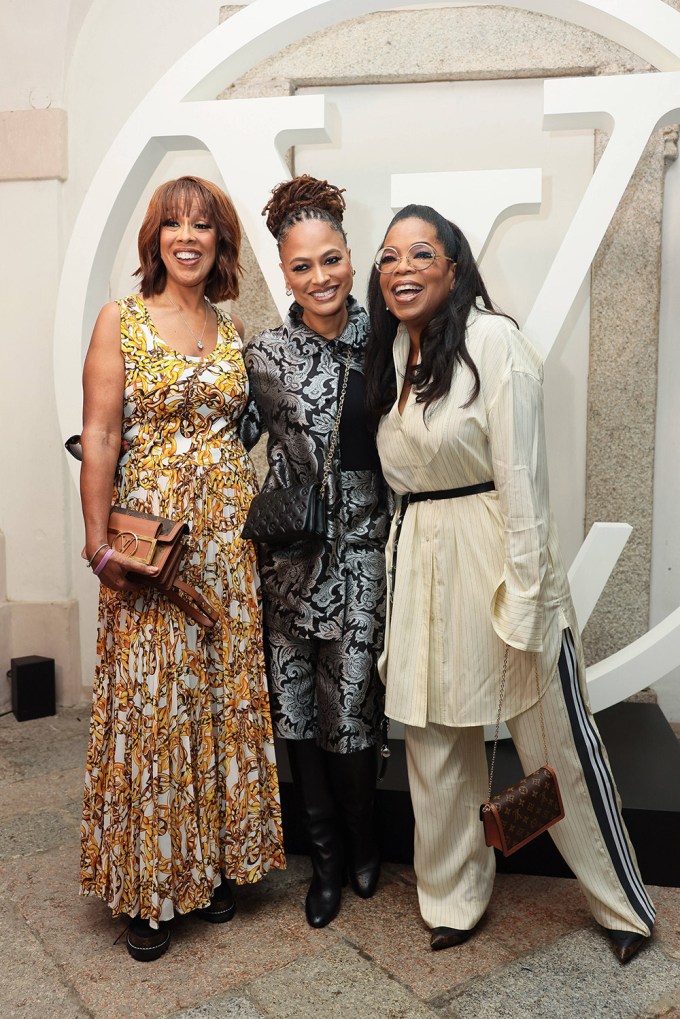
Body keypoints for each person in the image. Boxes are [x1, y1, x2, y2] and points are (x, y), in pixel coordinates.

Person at [364, 204, 655, 962]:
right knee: (432, 739)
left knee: (554, 736)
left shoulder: (495, 341)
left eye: (420, 253)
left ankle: (621, 905)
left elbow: (524, 480)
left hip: (497, 549)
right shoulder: (391, 351)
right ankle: (452, 897)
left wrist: (528, 596)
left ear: (454, 266)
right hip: (422, 551)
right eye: (388, 256)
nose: (401, 268)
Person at [78, 175, 285, 962]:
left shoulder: (231, 332)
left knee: (217, 701)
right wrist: (98, 546)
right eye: (175, 224)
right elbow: (99, 436)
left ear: (220, 243)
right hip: (150, 549)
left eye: (204, 225)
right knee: (155, 706)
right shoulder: (120, 320)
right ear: (156, 239)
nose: (189, 236)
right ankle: (151, 886)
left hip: (227, 547)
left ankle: (214, 865)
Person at [240, 175, 391, 929]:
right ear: (283, 270)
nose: (320, 277)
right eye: (302, 267)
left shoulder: (390, 336)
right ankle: (325, 859)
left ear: (348, 253)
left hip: (364, 561)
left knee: (353, 712)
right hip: (290, 564)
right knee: (296, 716)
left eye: (330, 259)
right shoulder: (263, 353)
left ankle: (367, 843)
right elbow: (217, 436)